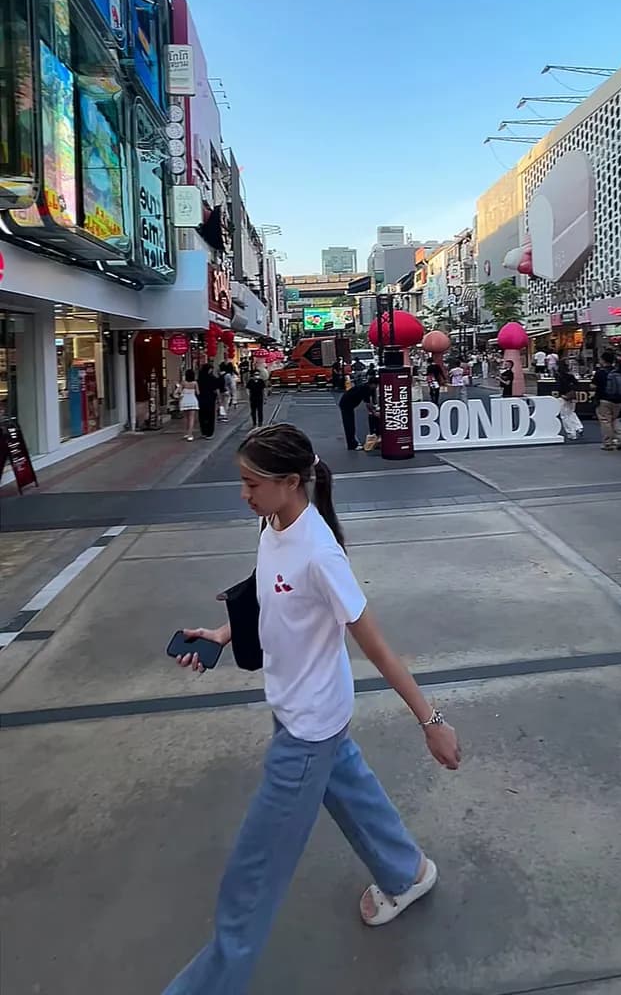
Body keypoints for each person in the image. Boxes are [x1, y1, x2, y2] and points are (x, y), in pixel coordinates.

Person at [166, 426, 460, 995]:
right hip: (303, 711)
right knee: (349, 786)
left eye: (252, 483)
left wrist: (431, 721)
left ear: (292, 483)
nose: (244, 494)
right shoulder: (274, 522)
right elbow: (269, 592)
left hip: (306, 731)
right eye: (242, 482)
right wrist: (223, 634)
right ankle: (407, 872)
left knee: (249, 883)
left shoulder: (322, 554)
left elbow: (375, 644)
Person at [592, 350, 621, 451]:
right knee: (615, 419)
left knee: (605, 421)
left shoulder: (600, 372)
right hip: (618, 400)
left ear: (603, 360)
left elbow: (593, 385)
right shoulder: (619, 371)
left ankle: (608, 443)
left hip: (604, 399)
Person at [338, 380, 376, 450]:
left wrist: (373, 408)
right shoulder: (366, 388)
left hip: (349, 404)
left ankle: (353, 443)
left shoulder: (367, 387)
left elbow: (372, 401)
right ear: (372, 384)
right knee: (349, 425)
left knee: (350, 424)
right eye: (375, 385)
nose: (376, 387)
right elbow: (367, 403)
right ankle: (352, 445)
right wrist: (374, 412)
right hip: (346, 404)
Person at [556, 359, 583, 440]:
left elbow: (560, 386)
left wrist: (562, 394)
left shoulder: (559, 375)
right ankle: (578, 427)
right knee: (571, 412)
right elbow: (577, 383)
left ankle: (571, 433)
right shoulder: (570, 375)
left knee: (564, 415)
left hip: (563, 396)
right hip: (572, 395)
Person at [197, 363, 220, 438]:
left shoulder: (199, 378)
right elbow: (216, 390)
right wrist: (219, 399)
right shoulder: (212, 378)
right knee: (210, 416)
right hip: (210, 399)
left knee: (202, 416)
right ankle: (209, 433)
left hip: (201, 399)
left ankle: (203, 432)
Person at [179, 368, 199, 441]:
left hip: (184, 400)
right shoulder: (195, 383)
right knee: (191, 418)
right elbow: (198, 392)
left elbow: (180, 391)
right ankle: (190, 435)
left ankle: (186, 433)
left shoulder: (183, 382)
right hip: (193, 400)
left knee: (186, 418)